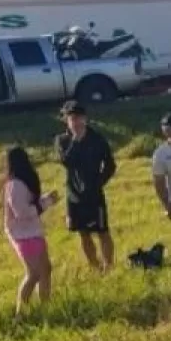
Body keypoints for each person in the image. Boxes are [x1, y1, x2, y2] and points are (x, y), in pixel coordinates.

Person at [55, 100, 116, 271]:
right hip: (74, 195)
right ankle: (94, 267)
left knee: (103, 231)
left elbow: (110, 165)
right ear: (66, 120)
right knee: (83, 232)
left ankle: (109, 266)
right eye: (72, 118)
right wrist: (76, 140)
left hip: (95, 194)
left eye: (79, 117)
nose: (77, 122)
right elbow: (67, 162)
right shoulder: (62, 141)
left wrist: (99, 183)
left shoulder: (97, 138)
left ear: (86, 118)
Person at [0, 146, 59, 316]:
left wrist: (46, 199)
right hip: (22, 235)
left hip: (32, 231)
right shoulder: (14, 185)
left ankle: (46, 307)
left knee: (46, 269)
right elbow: (23, 212)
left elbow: (30, 206)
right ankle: (20, 312)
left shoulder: (20, 183)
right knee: (34, 274)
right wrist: (45, 204)